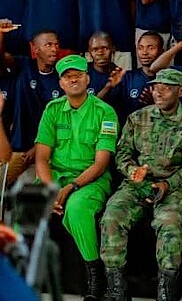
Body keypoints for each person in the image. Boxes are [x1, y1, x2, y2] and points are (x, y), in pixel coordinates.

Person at [100, 68, 182, 301]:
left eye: (166, 88)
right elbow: (122, 154)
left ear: (180, 91)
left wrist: (167, 184)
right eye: (155, 87)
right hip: (138, 183)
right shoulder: (138, 118)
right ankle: (117, 289)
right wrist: (133, 171)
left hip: (174, 186)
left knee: (169, 224)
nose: (158, 92)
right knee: (112, 216)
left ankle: (166, 291)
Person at [34, 54, 119, 301]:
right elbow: (41, 158)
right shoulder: (52, 110)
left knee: (77, 208)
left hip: (90, 179)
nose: (73, 80)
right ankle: (24, 276)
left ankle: (95, 275)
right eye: (67, 77)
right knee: (26, 208)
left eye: (78, 75)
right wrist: (51, 190)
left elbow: (101, 163)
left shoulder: (105, 112)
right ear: (61, 83)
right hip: (55, 177)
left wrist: (70, 187)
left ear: (87, 79)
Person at [6, 30, 63, 185]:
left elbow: (63, 122)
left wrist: (37, 148)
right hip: (20, 148)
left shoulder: (62, 77)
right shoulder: (23, 67)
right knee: (2, 183)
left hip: (50, 150)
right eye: (48, 45)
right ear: (35, 49)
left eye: (56, 45)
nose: (54, 49)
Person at [97, 30, 164, 123]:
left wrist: (155, 104)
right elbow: (96, 105)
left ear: (162, 51)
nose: (144, 52)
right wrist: (108, 87)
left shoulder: (169, 79)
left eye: (151, 48)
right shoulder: (127, 78)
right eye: (140, 48)